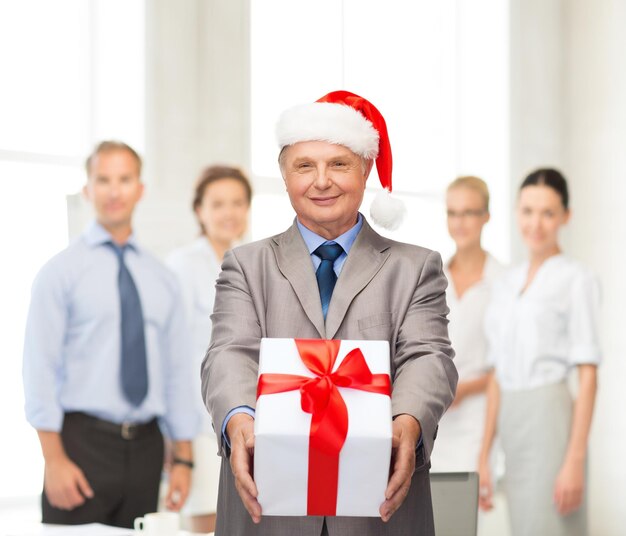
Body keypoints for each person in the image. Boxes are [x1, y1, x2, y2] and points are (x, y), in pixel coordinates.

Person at [201, 90, 458, 536]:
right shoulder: (246, 264)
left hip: (378, 508)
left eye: (338, 164)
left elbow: (428, 357)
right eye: (305, 166)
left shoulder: (415, 267)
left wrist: (408, 420)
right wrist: (239, 418)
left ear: (364, 170)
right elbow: (229, 353)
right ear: (285, 176)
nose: (322, 181)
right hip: (267, 506)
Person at [22, 141, 199, 528]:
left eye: (124, 179)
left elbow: (176, 373)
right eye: (103, 179)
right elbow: (40, 370)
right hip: (81, 446)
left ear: (140, 188)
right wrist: (53, 460)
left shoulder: (162, 279)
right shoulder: (60, 273)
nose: (114, 191)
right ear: (87, 189)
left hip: (148, 450)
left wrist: (183, 458)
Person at [478, 168, 600, 536]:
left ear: (566, 216)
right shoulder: (506, 283)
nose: (536, 223)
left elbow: (589, 374)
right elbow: (496, 373)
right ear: (516, 212)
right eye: (528, 211)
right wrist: (485, 454)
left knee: (551, 525)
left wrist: (574, 459)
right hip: (512, 421)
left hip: (551, 420)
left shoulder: (576, 279)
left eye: (548, 213)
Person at [167, 165, 252, 533]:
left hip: (246, 422)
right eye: (218, 203)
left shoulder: (254, 261)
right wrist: (178, 439)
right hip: (200, 426)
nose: (228, 212)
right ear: (199, 210)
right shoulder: (182, 266)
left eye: (237, 202)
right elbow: (174, 355)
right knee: (206, 523)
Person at [429, 176, 503, 473]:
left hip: (477, 420)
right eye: (453, 213)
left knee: (467, 512)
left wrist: (464, 389)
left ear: (486, 217)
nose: (460, 222)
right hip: (434, 417)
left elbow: (505, 366)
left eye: (469, 213)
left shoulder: (504, 282)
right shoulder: (432, 277)